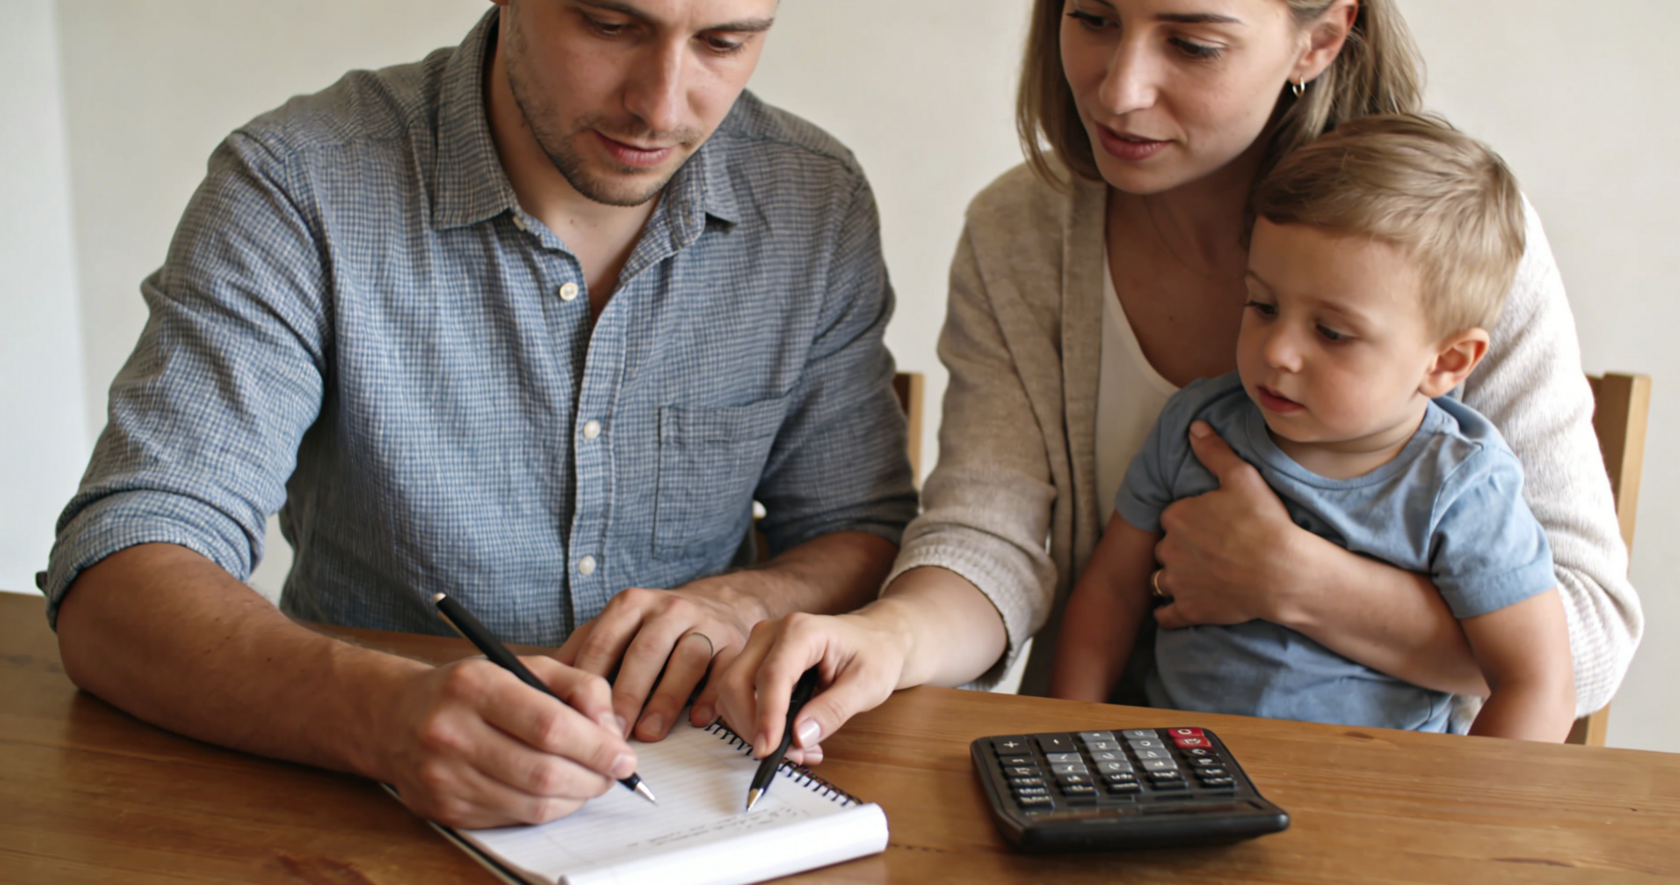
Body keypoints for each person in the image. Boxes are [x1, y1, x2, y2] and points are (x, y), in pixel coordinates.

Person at [42, 0, 917, 828]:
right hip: (354, 805)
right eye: (611, 24)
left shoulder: (812, 200)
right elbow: (117, 576)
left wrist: (742, 600)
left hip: (704, 798)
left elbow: (862, 532)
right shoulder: (300, 182)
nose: (661, 105)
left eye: (724, 42)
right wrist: (381, 714)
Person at [714, 0, 1640, 760]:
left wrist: (1295, 581)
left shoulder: (1453, 244)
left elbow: (1585, 642)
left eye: (1192, 42)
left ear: (1318, 40)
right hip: (1133, 773)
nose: (1120, 90)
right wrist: (891, 637)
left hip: (1385, 793)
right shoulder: (1021, 234)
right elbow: (990, 537)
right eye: (1093, 18)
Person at [1050, 114, 1575, 740]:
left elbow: (1539, 681)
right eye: (1263, 306)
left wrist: (1469, 826)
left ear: (1446, 362)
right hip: (1183, 781)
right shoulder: (1197, 426)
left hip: (1376, 801)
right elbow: (1111, 592)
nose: (1279, 352)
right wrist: (1069, 737)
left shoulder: (1462, 487)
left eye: (1332, 332)